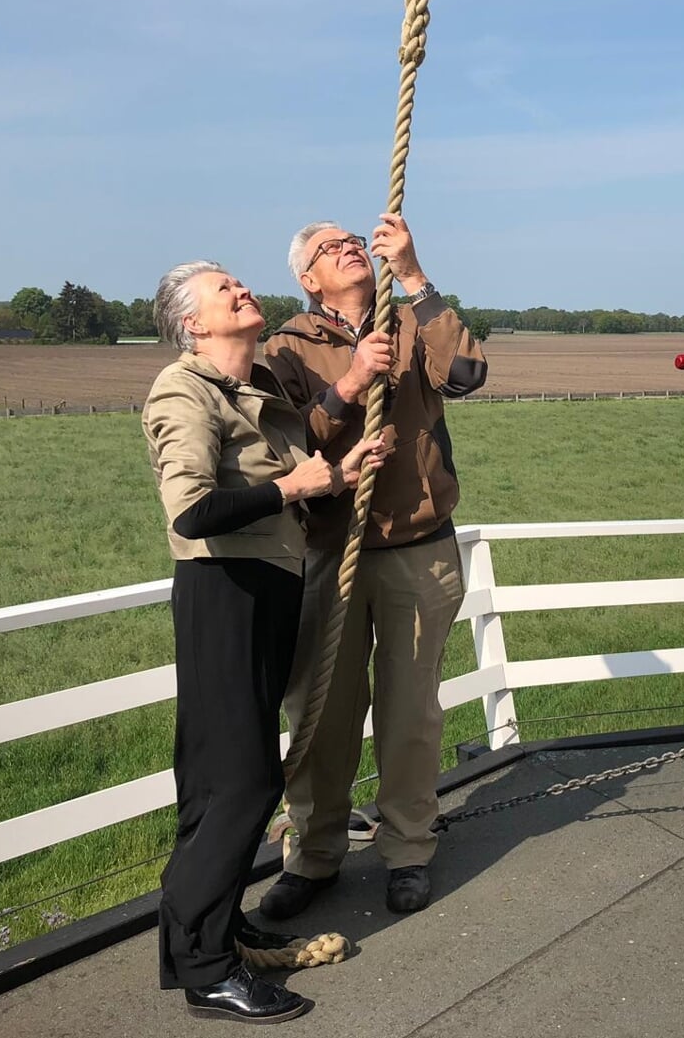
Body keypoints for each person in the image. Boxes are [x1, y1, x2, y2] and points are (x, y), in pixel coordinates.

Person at [143, 259, 382, 1024]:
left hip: (265, 590)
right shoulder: (182, 388)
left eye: (238, 281)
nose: (241, 288)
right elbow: (191, 510)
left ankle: (210, 929)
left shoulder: (249, 391)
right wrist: (296, 488)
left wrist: (337, 475)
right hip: (226, 596)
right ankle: (206, 970)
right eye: (223, 288)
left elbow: (279, 477)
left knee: (222, 782)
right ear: (194, 323)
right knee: (239, 782)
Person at [259, 213, 487, 918]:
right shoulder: (284, 349)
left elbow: (470, 373)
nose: (350, 247)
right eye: (331, 247)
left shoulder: (412, 320)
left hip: (418, 545)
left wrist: (415, 276)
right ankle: (316, 854)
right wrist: (353, 381)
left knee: (409, 710)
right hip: (330, 550)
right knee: (322, 712)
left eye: (353, 239)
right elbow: (285, 442)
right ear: (307, 278)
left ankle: (409, 848)